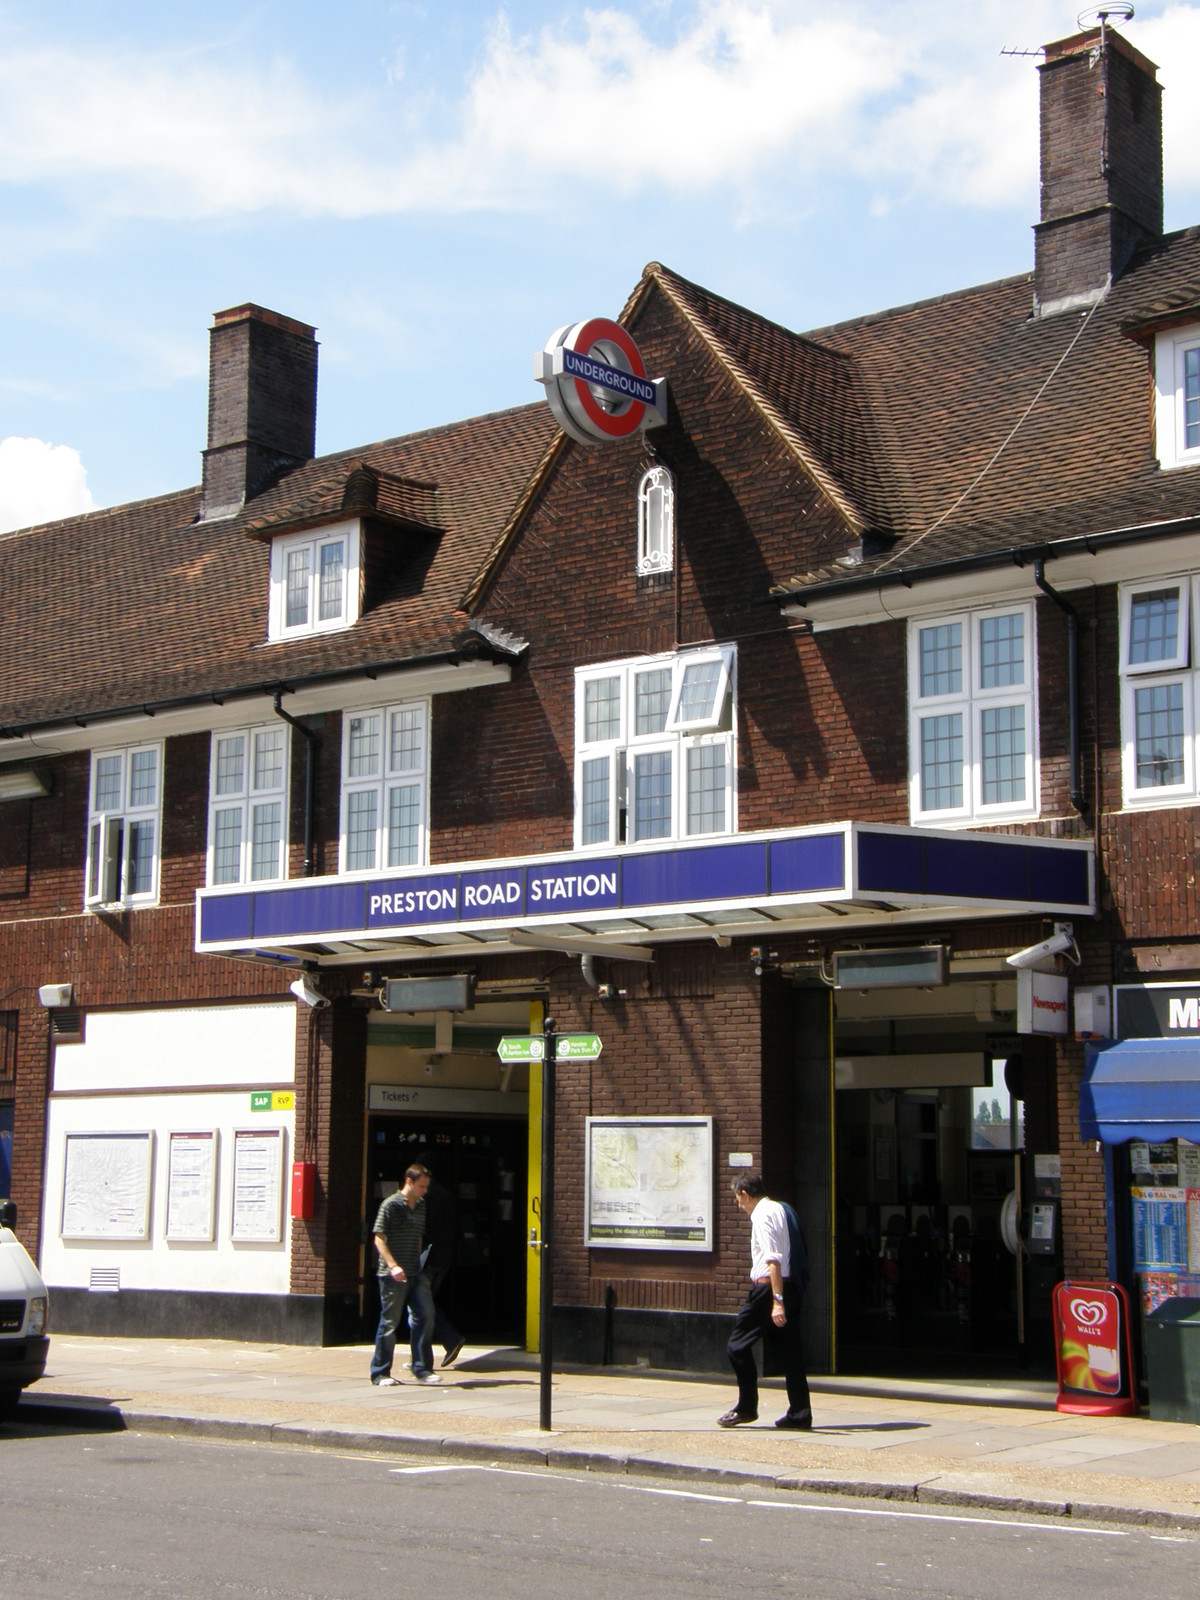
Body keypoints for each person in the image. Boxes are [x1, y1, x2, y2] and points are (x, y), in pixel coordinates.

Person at [718, 1174, 813, 1430]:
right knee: (791, 1353)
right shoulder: (781, 1209)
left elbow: (773, 1260)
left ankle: (747, 1407)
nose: (739, 1206)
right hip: (789, 1286)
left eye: (739, 1200)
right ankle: (800, 1412)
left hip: (769, 1290)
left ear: (746, 1194)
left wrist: (777, 1301)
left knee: (737, 1347)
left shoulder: (761, 1215)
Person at [370, 1163, 438, 1386]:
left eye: (426, 1186)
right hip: (393, 1275)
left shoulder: (421, 1206)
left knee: (425, 1315)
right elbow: (379, 1237)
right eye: (421, 1186)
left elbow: (419, 1236)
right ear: (408, 1182)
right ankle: (380, 1372)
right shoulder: (390, 1205)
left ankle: (422, 1369)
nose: (424, 1191)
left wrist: (419, 1260)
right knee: (390, 1323)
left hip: (415, 1271)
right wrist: (392, 1265)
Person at [421, 1170, 465, 1368]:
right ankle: (420, 1356)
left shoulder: (423, 1197)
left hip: (427, 1259)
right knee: (424, 1303)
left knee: (421, 1304)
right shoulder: (448, 1196)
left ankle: (449, 1339)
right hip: (444, 1258)